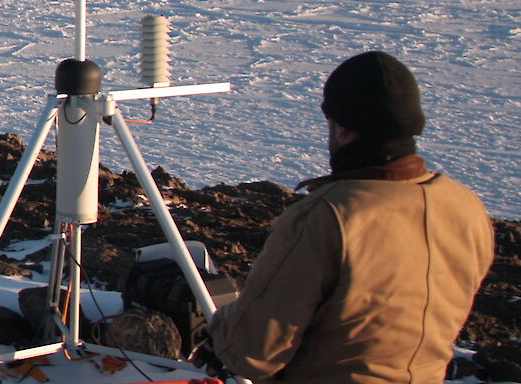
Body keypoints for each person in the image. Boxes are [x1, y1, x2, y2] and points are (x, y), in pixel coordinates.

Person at [205, 51, 494, 384]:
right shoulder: (465, 206)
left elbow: (254, 352)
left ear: (342, 129)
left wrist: (222, 324)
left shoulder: (327, 216)